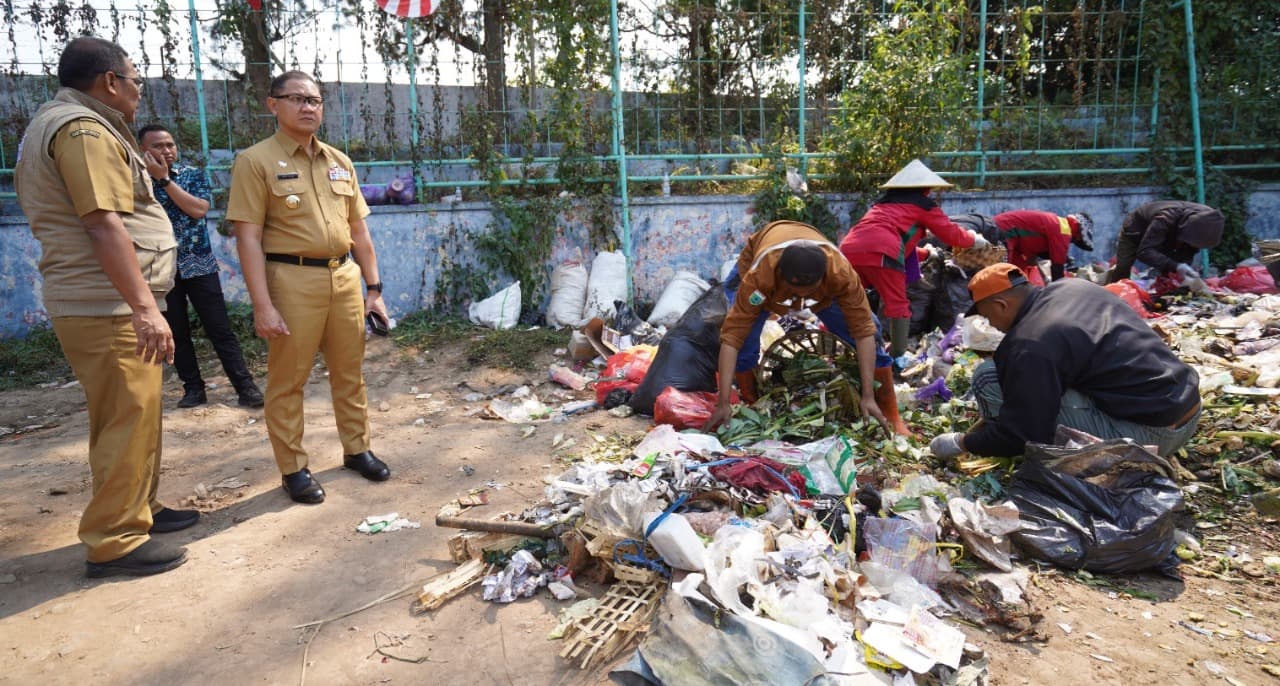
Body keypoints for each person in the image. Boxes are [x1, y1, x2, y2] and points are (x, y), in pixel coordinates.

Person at [14, 36, 196, 577]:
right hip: (108, 304)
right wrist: (144, 307)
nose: (139, 89)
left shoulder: (69, 122)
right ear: (110, 81)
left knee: (134, 416)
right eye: (136, 79)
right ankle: (115, 540)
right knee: (125, 418)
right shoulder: (83, 129)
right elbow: (102, 222)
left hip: (107, 301)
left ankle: (138, 508)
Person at [227, 70, 391, 505]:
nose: (308, 108)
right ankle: (293, 468)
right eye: (296, 99)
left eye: (315, 101)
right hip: (291, 279)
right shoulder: (255, 161)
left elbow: (360, 232)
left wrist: (374, 288)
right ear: (272, 105)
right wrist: (262, 305)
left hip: (343, 277)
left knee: (349, 373)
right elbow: (248, 237)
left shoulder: (339, 161)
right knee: (288, 380)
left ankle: (357, 450)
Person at [929, 263, 1201, 460]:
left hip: (1150, 436)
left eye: (988, 318)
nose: (992, 325)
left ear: (1001, 304)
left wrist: (962, 443)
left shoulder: (1028, 342)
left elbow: (1022, 434)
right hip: (1188, 409)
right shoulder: (1073, 287)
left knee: (988, 377)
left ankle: (1077, 462)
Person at [702, 220, 899, 434]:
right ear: (781, 277)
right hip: (762, 271)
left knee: (872, 331)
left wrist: (868, 395)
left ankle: (891, 414)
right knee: (744, 343)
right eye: (795, 290)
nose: (802, 298)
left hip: (824, 293)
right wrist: (723, 402)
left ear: (822, 279)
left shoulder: (840, 275)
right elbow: (732, 338)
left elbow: (864, 332)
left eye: (808, 291)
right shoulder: (759, 278)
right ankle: (754, 405)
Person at [138, 123, 264, 409]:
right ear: (142, 150)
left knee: (219, 327)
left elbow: (198, 209)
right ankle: (193, 389)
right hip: (159, 266)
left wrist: (166, 180)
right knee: (176, 331)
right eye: (157, 146)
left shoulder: (192, 175)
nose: (166, 150)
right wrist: (152, 179)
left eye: (170, 145)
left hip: (199, 263)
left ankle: (245, 387)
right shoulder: (135, 180)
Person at [839, 159, 987, 362]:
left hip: (849, 250)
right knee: (897, 304)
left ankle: (835, 342)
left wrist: (927, 255)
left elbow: (894, 241)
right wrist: (974, 239)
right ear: (925, 188)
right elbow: (952, 235)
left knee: (846, 298)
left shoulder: (883, 205)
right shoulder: (923, 205)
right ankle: (896, 356)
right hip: (882, 252)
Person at [1105, 200, 1224, 284]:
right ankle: (1113, 296)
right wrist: (1177, 265)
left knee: (1174, 274)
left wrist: (1185, 269)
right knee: (1123, 267)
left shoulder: (1209, 219)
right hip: (1136, 228)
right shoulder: (1166, 217)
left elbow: (1189, 250)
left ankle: (1169, 292)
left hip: (1173, 232)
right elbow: (1145, 251)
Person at [992, 209, 1093, 285]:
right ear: (1078, 232)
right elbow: (1057, 267)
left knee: (1017, 276)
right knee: (1001, 274)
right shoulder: (1063, 228)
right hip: (1004, 232)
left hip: (1010, 237)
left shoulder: (1055, 223)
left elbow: (1036, 254)